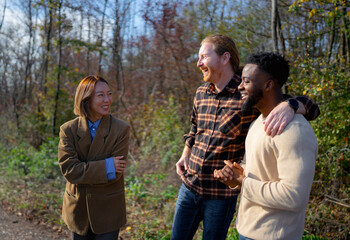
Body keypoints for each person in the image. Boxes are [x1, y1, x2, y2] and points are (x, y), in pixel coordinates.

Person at [170, 35, 320, 240]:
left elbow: (306, 106)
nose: (198, 63)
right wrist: (185, 153)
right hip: (189, 185)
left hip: (220, 195)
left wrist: (292, 105)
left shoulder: (249, 93)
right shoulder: (201, 92)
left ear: (225, 58)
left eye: (204, 56)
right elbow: (194, 127)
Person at [214, 52, 318, 240]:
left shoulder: (296, 131)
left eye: (246, 81)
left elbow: (294, 196)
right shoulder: (258, 122)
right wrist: (235, 175)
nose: (239, 87)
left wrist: (243, 182)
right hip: (246, 231)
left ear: (268, 85)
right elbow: (259, 170)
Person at [58, 76, 130, 240]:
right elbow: (70, 171)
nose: (107, 100)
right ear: (86, 98)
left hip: (108, 210)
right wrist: (106, 166)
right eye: (100, 95)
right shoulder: (68, 130)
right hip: (78, 209)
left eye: (109, 94)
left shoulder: (121, 129)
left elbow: (116, 173)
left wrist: (84, 170)